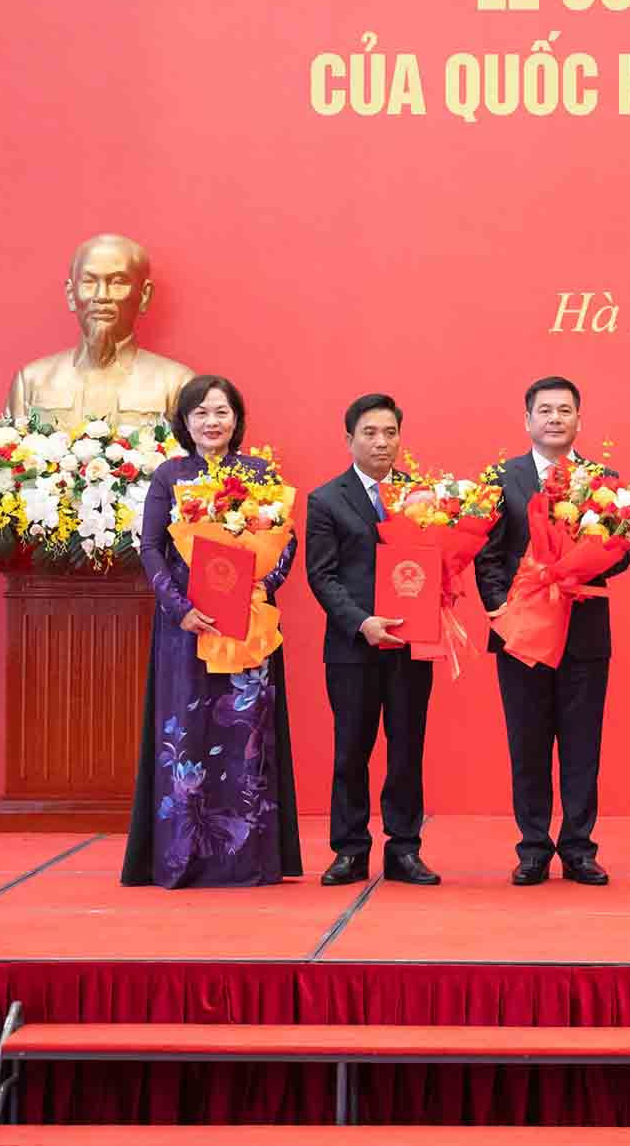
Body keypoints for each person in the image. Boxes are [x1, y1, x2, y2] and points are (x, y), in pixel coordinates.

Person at [122, 375, 301, 888]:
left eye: (221, 412)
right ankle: (184, 859)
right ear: (184, 422)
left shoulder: (260, 474)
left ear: (237, 419)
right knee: (188, 734)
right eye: (200, 413)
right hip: (189, 630)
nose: (211, 422)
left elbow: (285, 543)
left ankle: (247, 860)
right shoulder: (169, 477)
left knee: (246, 736)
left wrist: (261, 586)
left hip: (248, 628)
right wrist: (179, 608)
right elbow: (151, 547)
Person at [474, 376, 630, 887]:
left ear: (579, 420)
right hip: (520, 635)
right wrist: (501, 610)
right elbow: (486, 553)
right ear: (527, 420)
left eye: (565, 410)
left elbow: (622, 550)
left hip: (583, 631)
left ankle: (580, 849)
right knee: (528, 742)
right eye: (545, 410)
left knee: (583, 744)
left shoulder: (602, 479)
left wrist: (582, 570)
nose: (555, 418)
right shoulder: (502, 478)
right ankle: (534, 848)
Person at [304, 393, 440, 887]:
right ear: (349, 440)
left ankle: (405, 849)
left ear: (400, 438)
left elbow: (435, 565)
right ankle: (350, 850)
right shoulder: (326, 499)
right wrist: (362, 622)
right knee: (350, 750)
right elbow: (322, 576)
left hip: (409, 646)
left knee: (407, 748)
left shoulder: (422, 498)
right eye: (370, 433)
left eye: (389, 433)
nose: (381, 442)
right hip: (352, 648)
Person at [5, 233, 195, 429]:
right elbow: (8, 455)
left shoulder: (176, 384)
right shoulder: (31, 381)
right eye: (89, 282)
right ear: (71, 294)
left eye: (118, 282)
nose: (101, 296)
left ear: (144, 295)